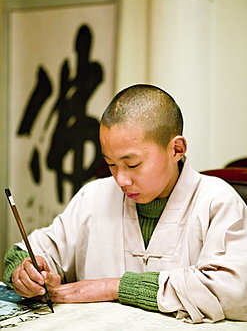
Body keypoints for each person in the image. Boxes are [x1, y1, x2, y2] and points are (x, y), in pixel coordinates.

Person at [4, 84, 247, 324]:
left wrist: (115, 287)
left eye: (132, 165)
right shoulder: (95, 195)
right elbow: (34, 251)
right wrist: (25, 272)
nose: (120, 179)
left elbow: (234, 292)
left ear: (176, 149)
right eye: (111, 164)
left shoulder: (217, 201)